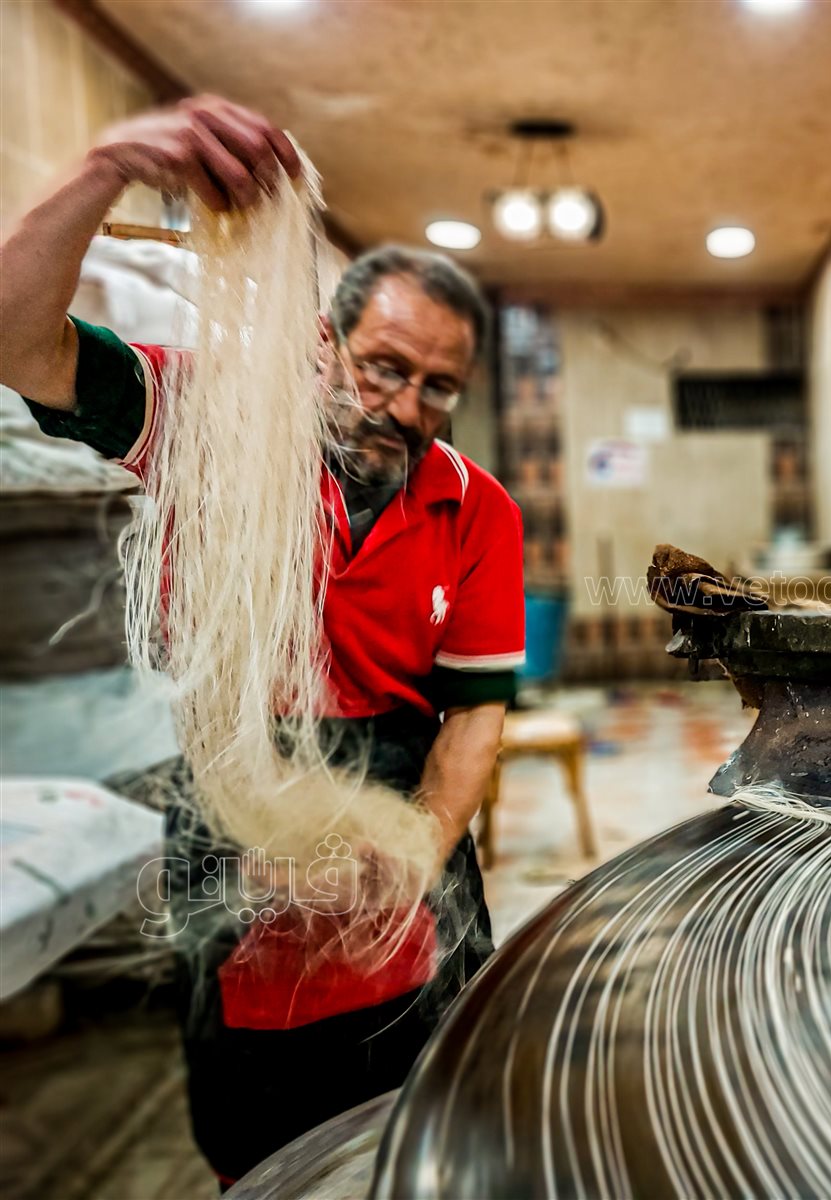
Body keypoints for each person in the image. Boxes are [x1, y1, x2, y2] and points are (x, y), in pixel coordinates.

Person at [0, 96, 524, 1186]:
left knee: (427, 1093)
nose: (405, 406)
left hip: (397, 787)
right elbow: (16, 342)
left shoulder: (477, 508)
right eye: (384, 366)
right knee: (262, 1119)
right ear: (324, 344)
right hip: (237, 777)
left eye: (438, 387)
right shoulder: (208, 425)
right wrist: (106, 168)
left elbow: (475, 710)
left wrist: (415, 849)